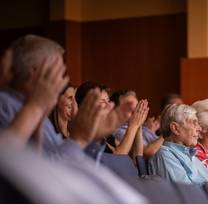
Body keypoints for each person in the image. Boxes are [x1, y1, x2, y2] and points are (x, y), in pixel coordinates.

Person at [0, 35, 134, 160]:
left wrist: (90, 136)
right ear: (35, 72)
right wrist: (80, 137)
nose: (61, 79)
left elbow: (43, 156)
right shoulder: (6, 104)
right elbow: (41, 167)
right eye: (56, 71)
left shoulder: (35, 110)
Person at [148, 104, 208, 185]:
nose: (199, 128)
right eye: (194, 123)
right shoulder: (164, 155)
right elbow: (186, 192)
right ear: (175, 128)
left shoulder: (192, 156)